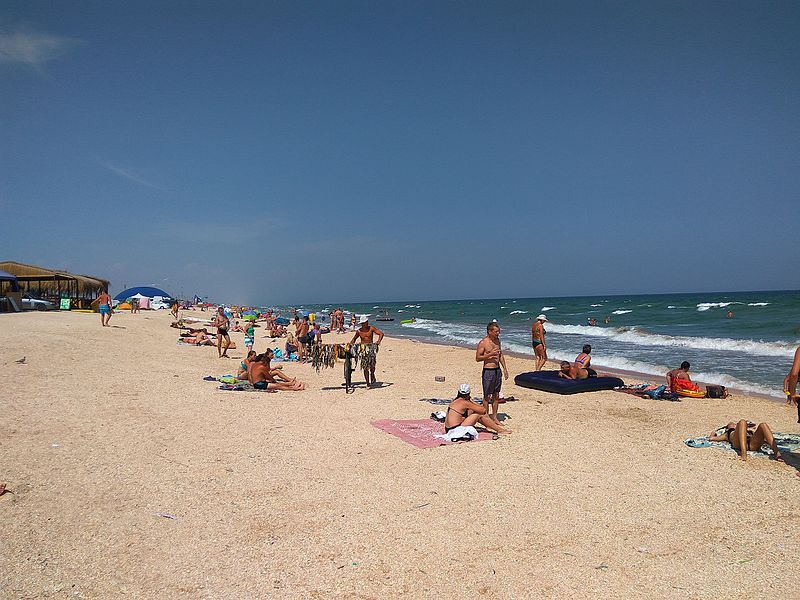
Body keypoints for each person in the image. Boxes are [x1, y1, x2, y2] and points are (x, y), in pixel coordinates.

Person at [475, 321, 509, 427]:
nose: (498, 333)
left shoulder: (498, 341)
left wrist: (505, 368)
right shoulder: (483, 343)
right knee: (486, 395)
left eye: (498, 331)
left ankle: (494, 417)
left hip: (497, 370)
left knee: (496, 395)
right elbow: (478, 358)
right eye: (496, 331)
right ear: (489, 331)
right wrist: (490, 354)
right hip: (488, 371)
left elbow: (501, 355)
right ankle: (486, 417)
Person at [444, 384, 511, 435]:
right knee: (479, 414)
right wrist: (471, 400)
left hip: (448, 429)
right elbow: (483, 410)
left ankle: (489, 425)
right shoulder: (465, 402)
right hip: (455, 430)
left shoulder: (456, 400)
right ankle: (499, 430)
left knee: (472, 411)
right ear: (468, 393)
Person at [708, 421, 783, 462]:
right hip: (739, 445)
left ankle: (777, 453)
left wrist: (752, 431)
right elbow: (711, 438)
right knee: (742, 422)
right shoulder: (726, 434)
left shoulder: (747, 430)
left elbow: (764, 439)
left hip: (751, 444)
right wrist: (713, 432)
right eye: (731, 424)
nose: (733, 424)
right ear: (728, 427)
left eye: (734, 423)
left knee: (763, 425)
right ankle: (744, 453)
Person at [350, 316, 384, 386]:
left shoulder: (371, 328)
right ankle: (368, 383)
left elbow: (381, 333)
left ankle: (372, 374)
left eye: (365, 322)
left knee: (372, 365)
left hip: (371, 348)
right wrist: (350, 345)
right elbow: (354, 339)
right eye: (363, 323)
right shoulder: (359, 331)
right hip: (363, 350)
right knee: (365, 366)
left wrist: (378, 341)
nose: (364, 324)